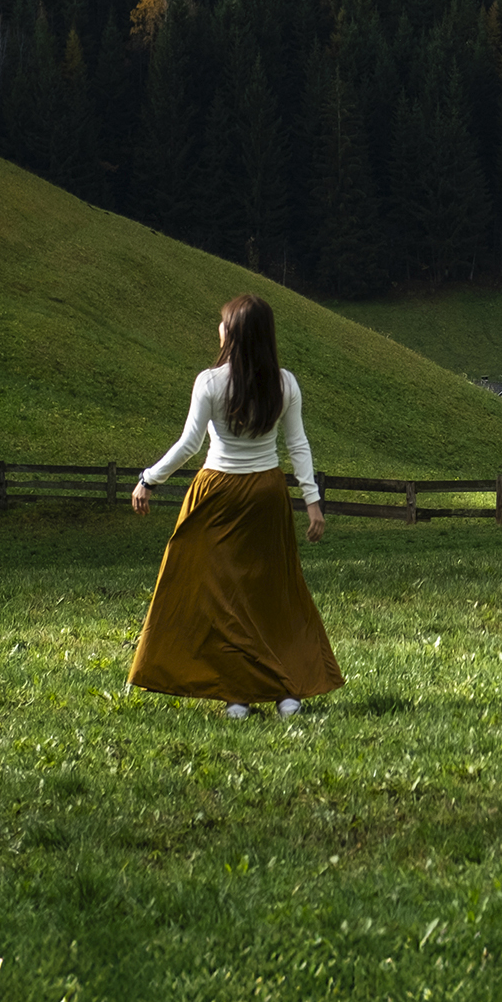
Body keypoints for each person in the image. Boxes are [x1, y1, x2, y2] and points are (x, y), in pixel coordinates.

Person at [128, 294, 344, 717]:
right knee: (272, 593)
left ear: (236, 333)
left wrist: (148, 479)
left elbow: (189, 445)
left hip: (217, 494)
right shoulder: (285, 383)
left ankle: (237, 696)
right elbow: (297, 444)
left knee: (218, 595)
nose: (219, 329)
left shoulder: (209, 382)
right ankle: (287, 694)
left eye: (223, 323)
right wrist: (312, 501)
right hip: (266, 494)